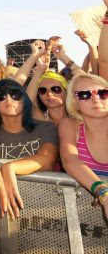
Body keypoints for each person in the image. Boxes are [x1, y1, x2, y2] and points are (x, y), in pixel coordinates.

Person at [0, 79, 58, 219]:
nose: (8, 98)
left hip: (38, 207)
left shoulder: (46, 128)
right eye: (1, 96)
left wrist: (9, 167)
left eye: (15, 94)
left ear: (25, 99)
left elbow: (47, 159)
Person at [59, 72, 108, 219]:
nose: (96, 99)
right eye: (85, 95)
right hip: (83, 218)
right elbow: (70, 160)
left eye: (103, 93)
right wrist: (103, 193)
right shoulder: (69, 125)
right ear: (75, 102)